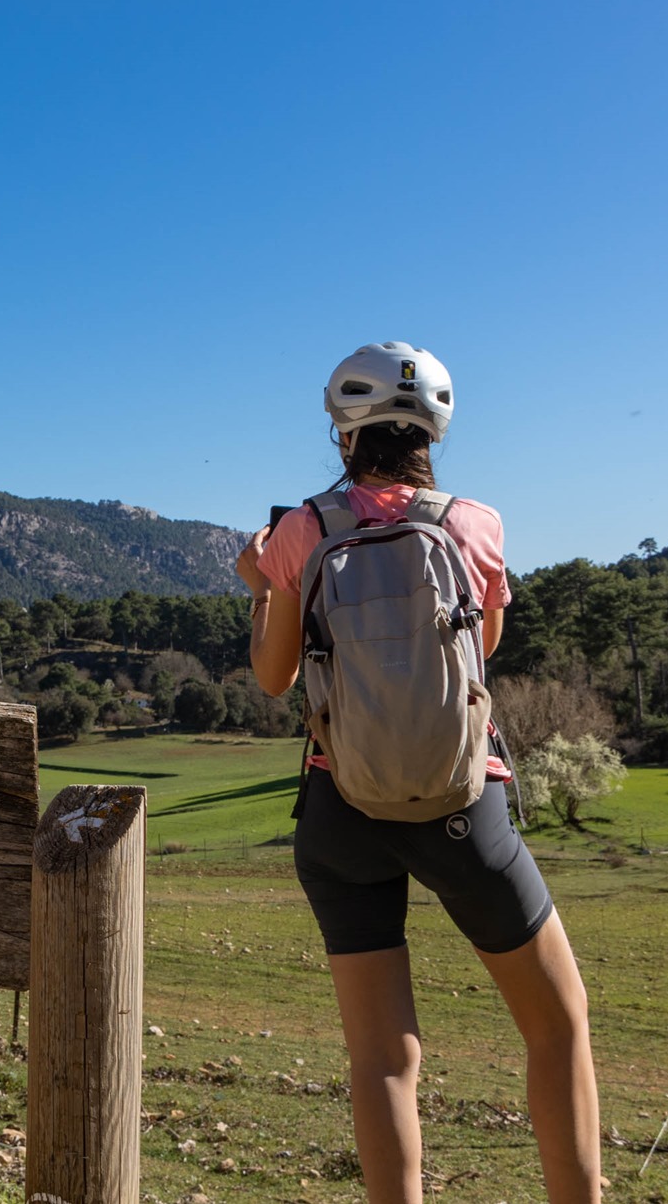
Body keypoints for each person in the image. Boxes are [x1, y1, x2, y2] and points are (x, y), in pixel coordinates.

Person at [235, 342, 602, 1204]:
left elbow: (275, 675)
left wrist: (261, 584)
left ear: (342, 433)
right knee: (557, 1023)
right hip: (461, 811)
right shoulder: (473, 524)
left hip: (339, 806)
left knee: (384, 1058)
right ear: (434, 427)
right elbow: (485, 655)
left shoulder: (303, 532)